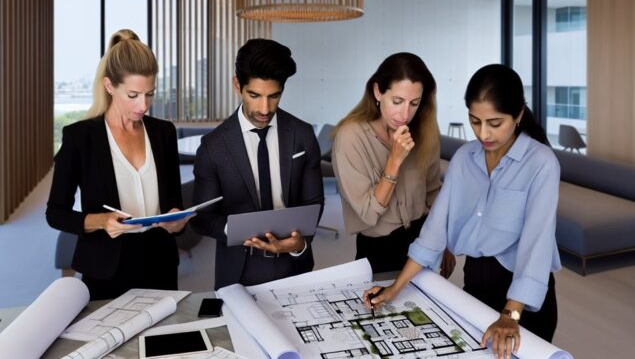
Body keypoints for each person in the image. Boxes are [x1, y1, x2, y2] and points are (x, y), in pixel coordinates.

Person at [365, 64, 560, 359]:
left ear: (518, 114)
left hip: (522, 298)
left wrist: (511, 315)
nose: (484, 133)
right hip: (476, 283)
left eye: (495, 123)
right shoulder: (464, 159)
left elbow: (537, 245)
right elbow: (434, 232)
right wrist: (395, 288)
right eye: (475, 121)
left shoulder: (541, 163)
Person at [46, 29, 190, 300]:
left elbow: (174, 203)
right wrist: (101, 221)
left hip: (160, 264)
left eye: (150, 94)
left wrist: (177, 220)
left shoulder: (163, 133)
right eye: (133, 95)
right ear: (110, 85)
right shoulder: (80, 138)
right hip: (105, 268)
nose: (143, 105)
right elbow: (55, 213)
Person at [191, 38, 324, 290]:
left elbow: (313, 203)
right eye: (255, 95)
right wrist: (238, 229)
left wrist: (298, 244)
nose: (265, 108)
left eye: (274, 96)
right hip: (239, 270)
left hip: (294, 264)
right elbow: (202, 218)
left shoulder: (303, 135)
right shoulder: (213, 146)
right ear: (237, 85)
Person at [332, 52, 454, 275]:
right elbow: (368, 214)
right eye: (397, 101)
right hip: (378, 248)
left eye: (414, 103)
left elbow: (432, 191)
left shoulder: (426, 130)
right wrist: (394, 161)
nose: (405, 114)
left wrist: (444, 241)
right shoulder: (350, 137)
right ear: (378, 91)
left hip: (423, 241)